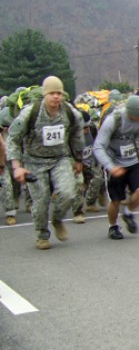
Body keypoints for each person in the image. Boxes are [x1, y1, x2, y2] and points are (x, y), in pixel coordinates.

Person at [6, 76, 85, 250]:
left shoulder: (71, 113)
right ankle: (42, 235)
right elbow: (13, 139)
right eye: (52, 93)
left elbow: (77, 136)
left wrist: (78, 159)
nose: (56, 97)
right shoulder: (30, 113)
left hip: (60, 158)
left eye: (59, 93)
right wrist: (17, 166)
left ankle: (57, 219)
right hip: (34, 161)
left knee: (68, 192)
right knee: (41, 202)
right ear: (45, 95)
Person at [93, 95, 139, 239]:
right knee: (116, 200)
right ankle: (113, 226)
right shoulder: (113, 121)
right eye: (138, 117)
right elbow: (98, 146)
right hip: (115, 162)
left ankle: (128, 213)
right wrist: (110, 166)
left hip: (135, 159)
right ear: (130, 114)